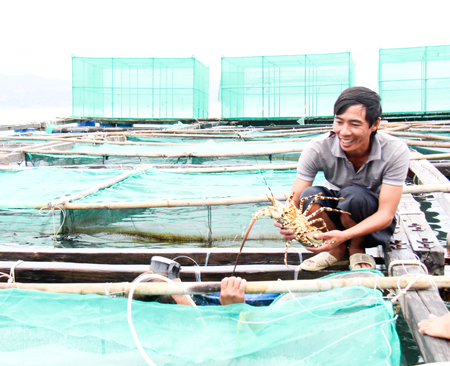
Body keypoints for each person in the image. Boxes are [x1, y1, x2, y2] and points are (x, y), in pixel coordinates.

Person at [276, 86, 410, 271]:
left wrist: (347, 235)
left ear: (375, 124)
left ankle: (357, 248)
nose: (344, 132)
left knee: (353, 196)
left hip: (373, 226)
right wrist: (288, 222)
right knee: (310, 195)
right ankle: (336, 250)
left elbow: (386, 214)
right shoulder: (317, 147)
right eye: (339, 122)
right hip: (333, 223)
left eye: (355, 124)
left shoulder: (395, 150)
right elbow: (295, 200)